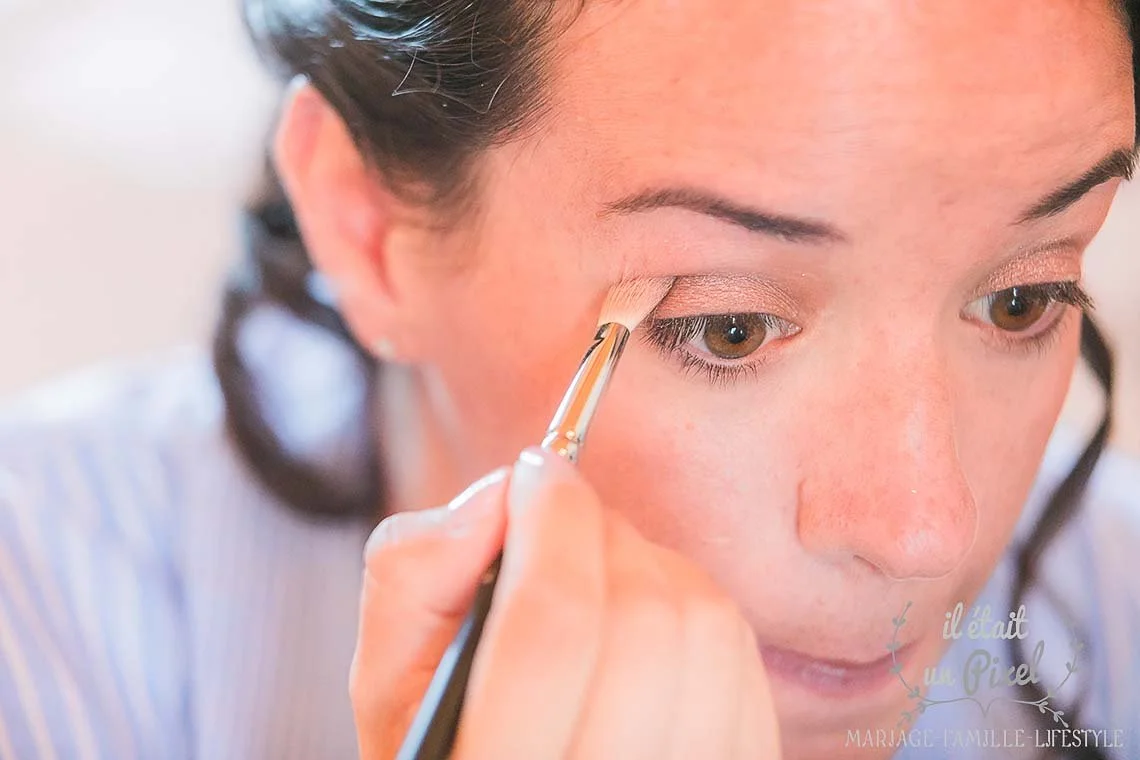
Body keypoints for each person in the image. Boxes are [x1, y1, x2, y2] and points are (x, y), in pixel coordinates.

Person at [1, 0, 1139, 757]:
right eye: (731, 328)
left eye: (1020, 300)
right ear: (366, 225)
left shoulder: (1117, 610)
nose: (927, 530)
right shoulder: (39, 628)